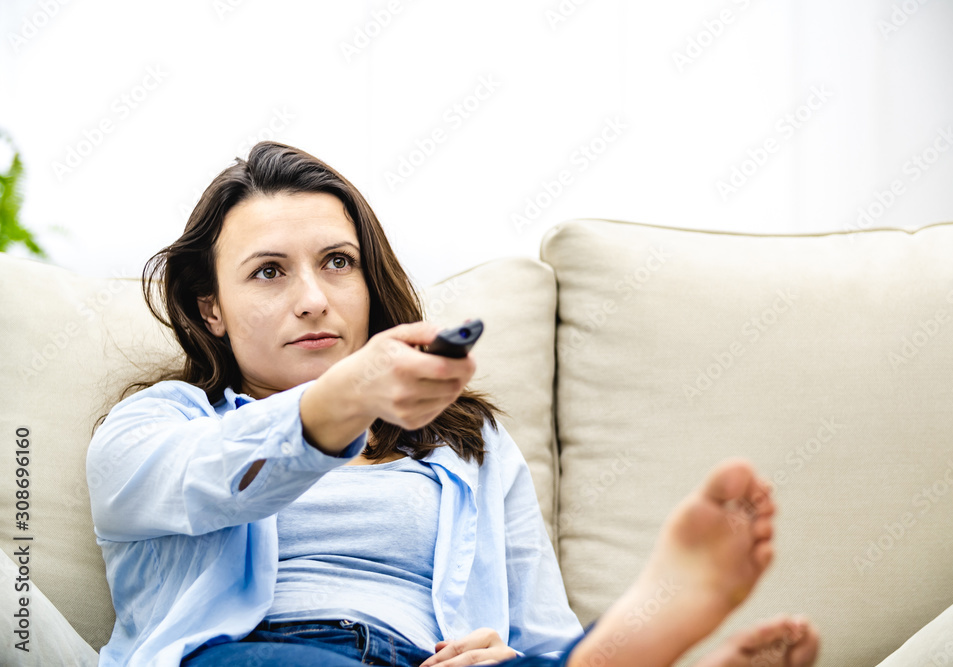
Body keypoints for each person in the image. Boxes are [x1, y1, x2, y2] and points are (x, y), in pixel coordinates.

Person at [87, 141, 820, 667]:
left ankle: (623, 649)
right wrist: (350, 390)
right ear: (210, 308)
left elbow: (538, 626)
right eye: (269, 272)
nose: (313, 299)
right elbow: (211, 474)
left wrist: (503, 649)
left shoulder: (466, 437)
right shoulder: (157, 425)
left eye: (337, 262)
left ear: (368, 280)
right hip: (260, 652)